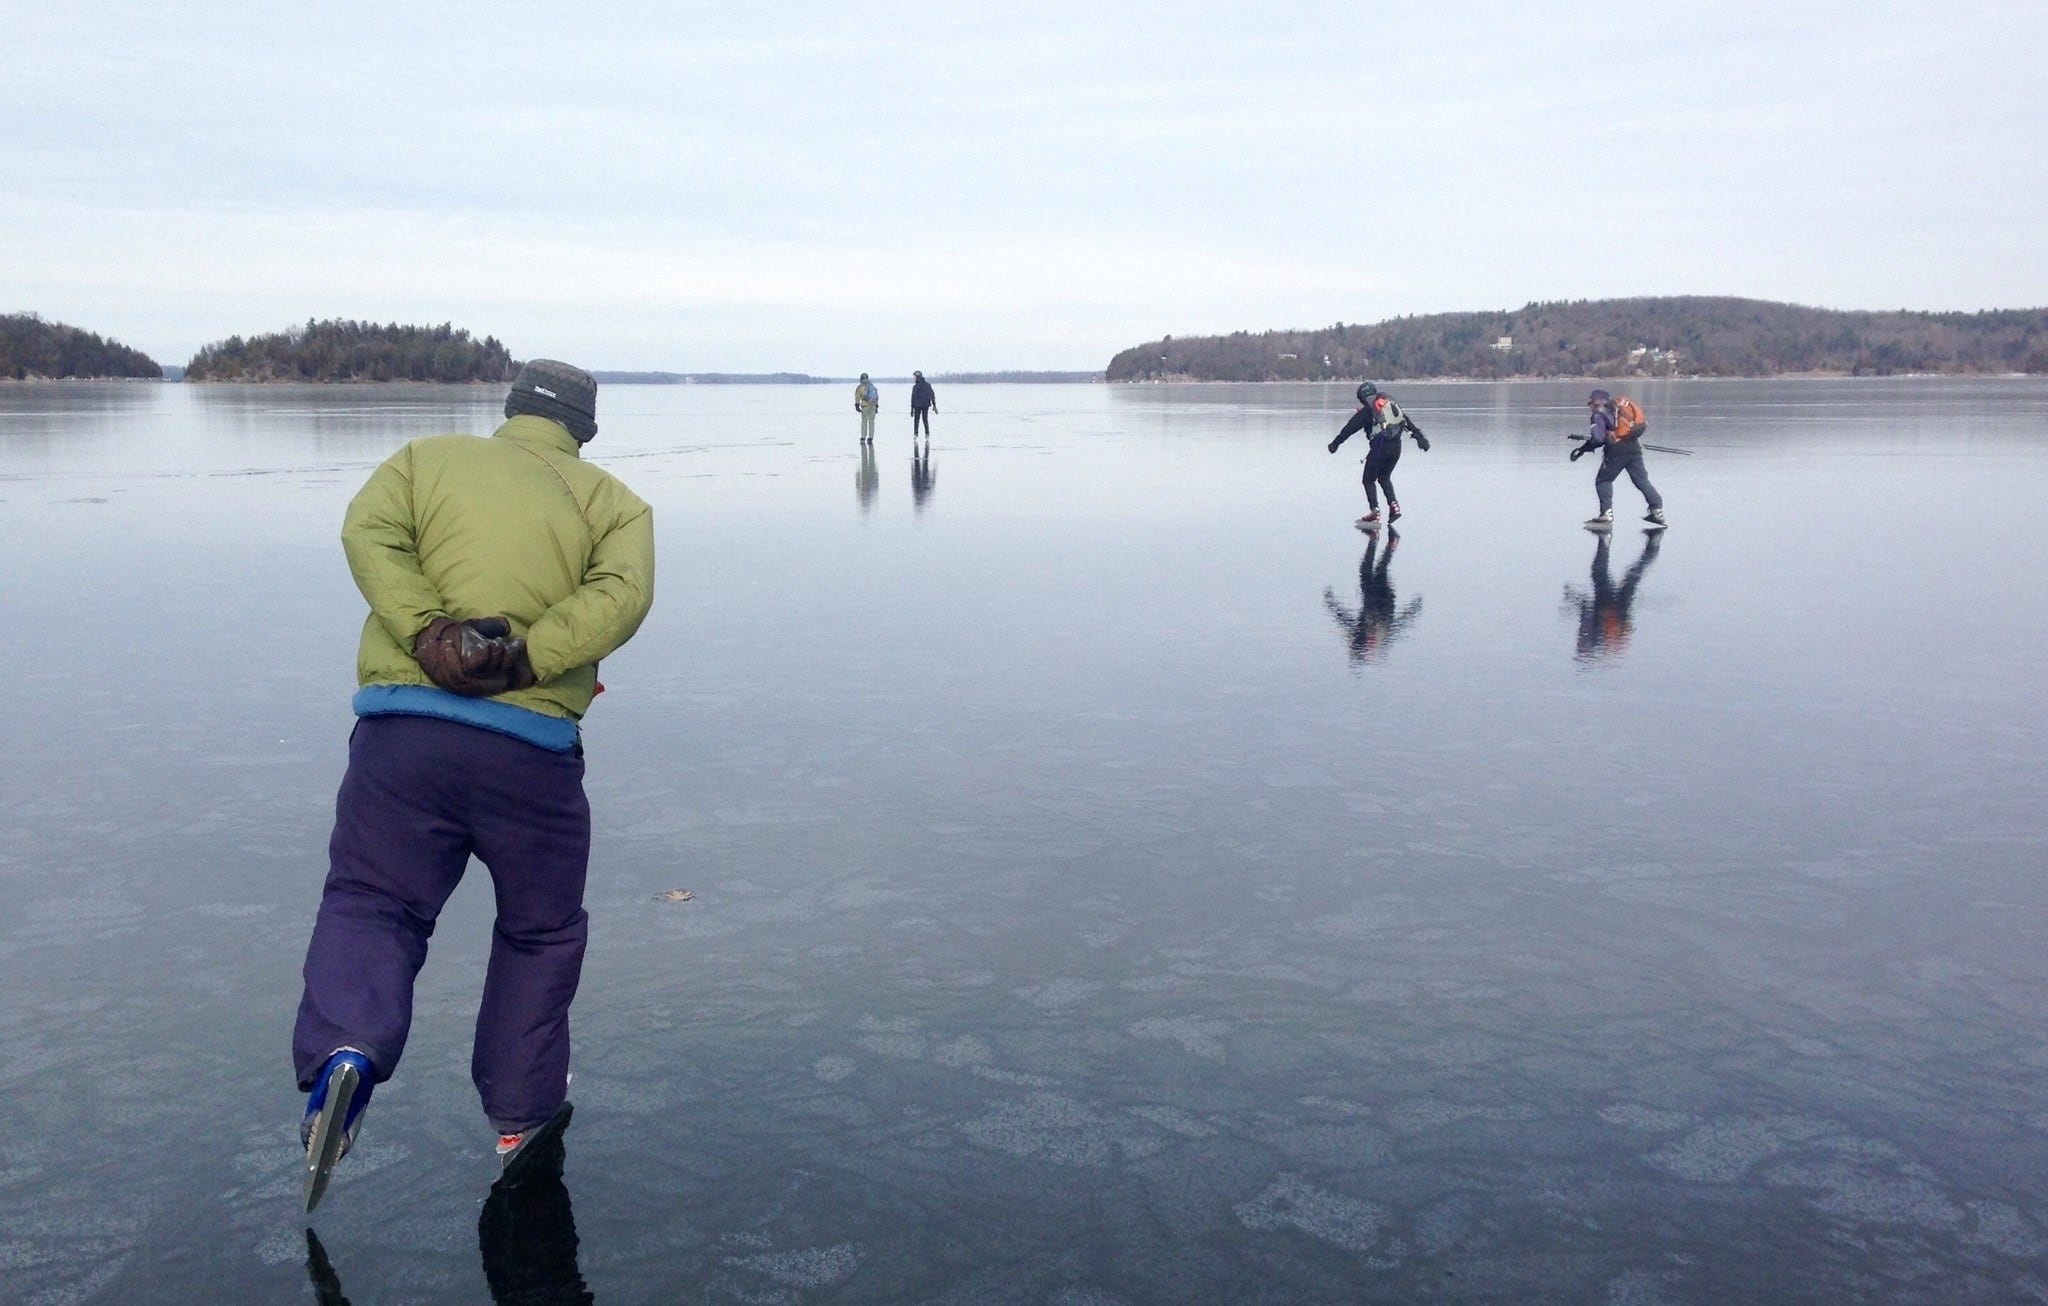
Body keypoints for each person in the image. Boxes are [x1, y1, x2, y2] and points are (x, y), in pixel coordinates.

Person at [293, 359, 655, 1209]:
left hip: (403, 740)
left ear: (511, 409)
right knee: (539, 932)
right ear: (585, 430)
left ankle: (347, 1051)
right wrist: (529, 656)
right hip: (531, 754)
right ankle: (520, 1113)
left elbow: (366, 531)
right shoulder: (613, 505)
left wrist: (428, 634)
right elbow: (623, 596)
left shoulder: (424, 462)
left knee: (375, 899)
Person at [1327, 381, 1429, 527]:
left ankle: (1375, 512)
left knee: (1368, 480)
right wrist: (1421, 439)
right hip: (1396, 448)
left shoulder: (1367, 411)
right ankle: (1394, 507)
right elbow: (1406, 421)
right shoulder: (1390, 406)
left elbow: (1348, 429)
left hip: (1380, 448)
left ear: (1362, 397)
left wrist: (1335, 444)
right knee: (1384, 477)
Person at [1323, 528, 1423, 662]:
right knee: (1377, 571)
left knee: (1370, 571)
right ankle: (1385, 542)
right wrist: (1413, 609)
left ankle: (1379, 540)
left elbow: (1344, 619)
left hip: (1371, 599)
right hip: (1383, 600)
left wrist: (1332, 603)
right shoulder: (1380, 639)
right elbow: (1399, 625)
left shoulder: (1360, 636)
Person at [1573, 388, 1666, 528]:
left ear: (1596, 403)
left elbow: (1598, 440)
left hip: (1616, 450)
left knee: (1603, 480)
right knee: (1641, 480)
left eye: (1590, 403)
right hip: (1634, 446)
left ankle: (1606, 515)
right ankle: (1657, 510)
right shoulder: (1618, 409)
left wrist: (1583, 449)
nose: (1589, 406)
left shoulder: (1598, 415)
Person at [1565, 529, 1661, 662]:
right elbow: (1587, 611)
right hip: (1612, 607)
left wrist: (1573, 597)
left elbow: (1587, 611)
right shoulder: (1600, 640)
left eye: (1579, 645)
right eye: (1580, 646)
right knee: (1604, 572)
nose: (1578, 642)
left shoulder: (1596, 639)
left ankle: (1652, 546)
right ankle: (1606, 542)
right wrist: (1573, 597)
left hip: (1614, 608)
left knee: (1629, 576)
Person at [910, 370, 936, 439]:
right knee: (925, 419)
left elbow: (913, 398)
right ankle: (927, 434)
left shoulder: (915, 387)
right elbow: (932, 395)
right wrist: (934, 404)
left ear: (917, 377)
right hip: (925, 405)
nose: (914, 378)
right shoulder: (927, 385)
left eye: (914, 377)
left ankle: (916, 434)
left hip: (918, 406)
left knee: (916, 420)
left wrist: (912, 409)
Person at [854, 372, 879, 443]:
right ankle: (870, 437)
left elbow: (857, 396)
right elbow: (876, 396)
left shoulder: (859, 387)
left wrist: (857, 405)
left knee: (864, 422)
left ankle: (863, 437)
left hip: (865, 406)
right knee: (871, 422)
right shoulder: (872, 385)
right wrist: (876, 406)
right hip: (873, 406)